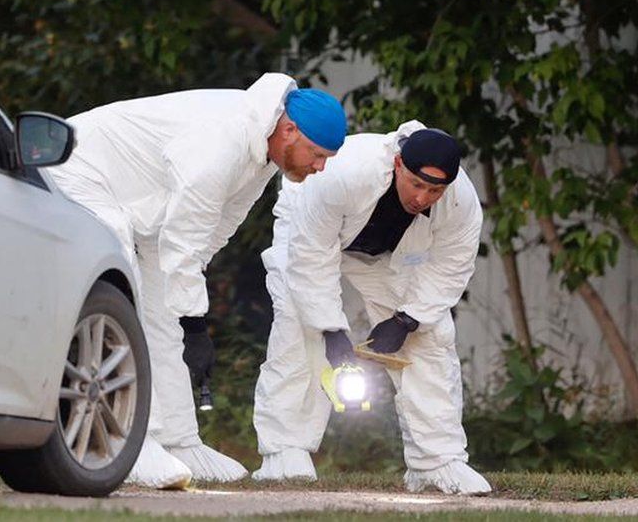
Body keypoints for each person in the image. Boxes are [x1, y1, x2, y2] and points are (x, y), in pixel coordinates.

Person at [46, 73, 347, 488]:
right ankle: (132, 439)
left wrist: (187, 310)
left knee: (164, 310)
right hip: (76, 167)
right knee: (123, 286)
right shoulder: (224, 140)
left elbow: (214, 229)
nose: (321, 167)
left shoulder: (263, 153)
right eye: (317, 154)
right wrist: (194, 325)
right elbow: (185, 235)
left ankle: (179, 440)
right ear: (289, 131)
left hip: (141, 202)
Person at [251, 121, 492, 495]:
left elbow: (451, 267)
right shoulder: (342, 174)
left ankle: (436, 462)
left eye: (435, 190)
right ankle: (285, 452)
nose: (423, 198)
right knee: (299, 328)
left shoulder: (461, 202)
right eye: (416, 184)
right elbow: (311, 259)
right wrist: (332, 330)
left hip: (383, 253)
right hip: (309, 232)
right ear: (398, 164)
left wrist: (407, 320)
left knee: (430, 337)